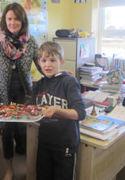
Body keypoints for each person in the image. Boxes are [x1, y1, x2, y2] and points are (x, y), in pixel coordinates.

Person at [0, 2, 41, 180]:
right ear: (4, 20)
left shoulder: (31, 42)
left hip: (24, 92)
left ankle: (27, 163)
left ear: (22, 20)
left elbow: (42, 64)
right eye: (9, 19)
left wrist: (58, 74)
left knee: (24, 129)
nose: (12, 22)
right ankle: (9, 168)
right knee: (7, 131)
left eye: (16, 18)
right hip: (3, 94)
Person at [30, 41, 86, 180]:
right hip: (45, 141)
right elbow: (31, 109)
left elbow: (80, 113)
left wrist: (57, 110)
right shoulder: (38, 84)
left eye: (53, 60)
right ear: (39, 62)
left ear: (62, 61)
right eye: (44, 60)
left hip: (65, 143)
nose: (47, 65)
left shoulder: (69, 82)